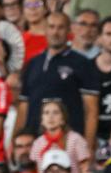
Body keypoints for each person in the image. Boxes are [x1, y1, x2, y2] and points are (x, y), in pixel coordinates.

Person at [18, 12, 100, 146]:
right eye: (51, 27)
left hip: (69, 141)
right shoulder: (32, 63)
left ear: (69, 30)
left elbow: (91, 110)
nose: (55, 32)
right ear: (45, 29)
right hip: (33, 141)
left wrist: (89, 146)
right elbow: (23, 106)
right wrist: (16, 138)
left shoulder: (83, 64)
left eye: (60, 27)